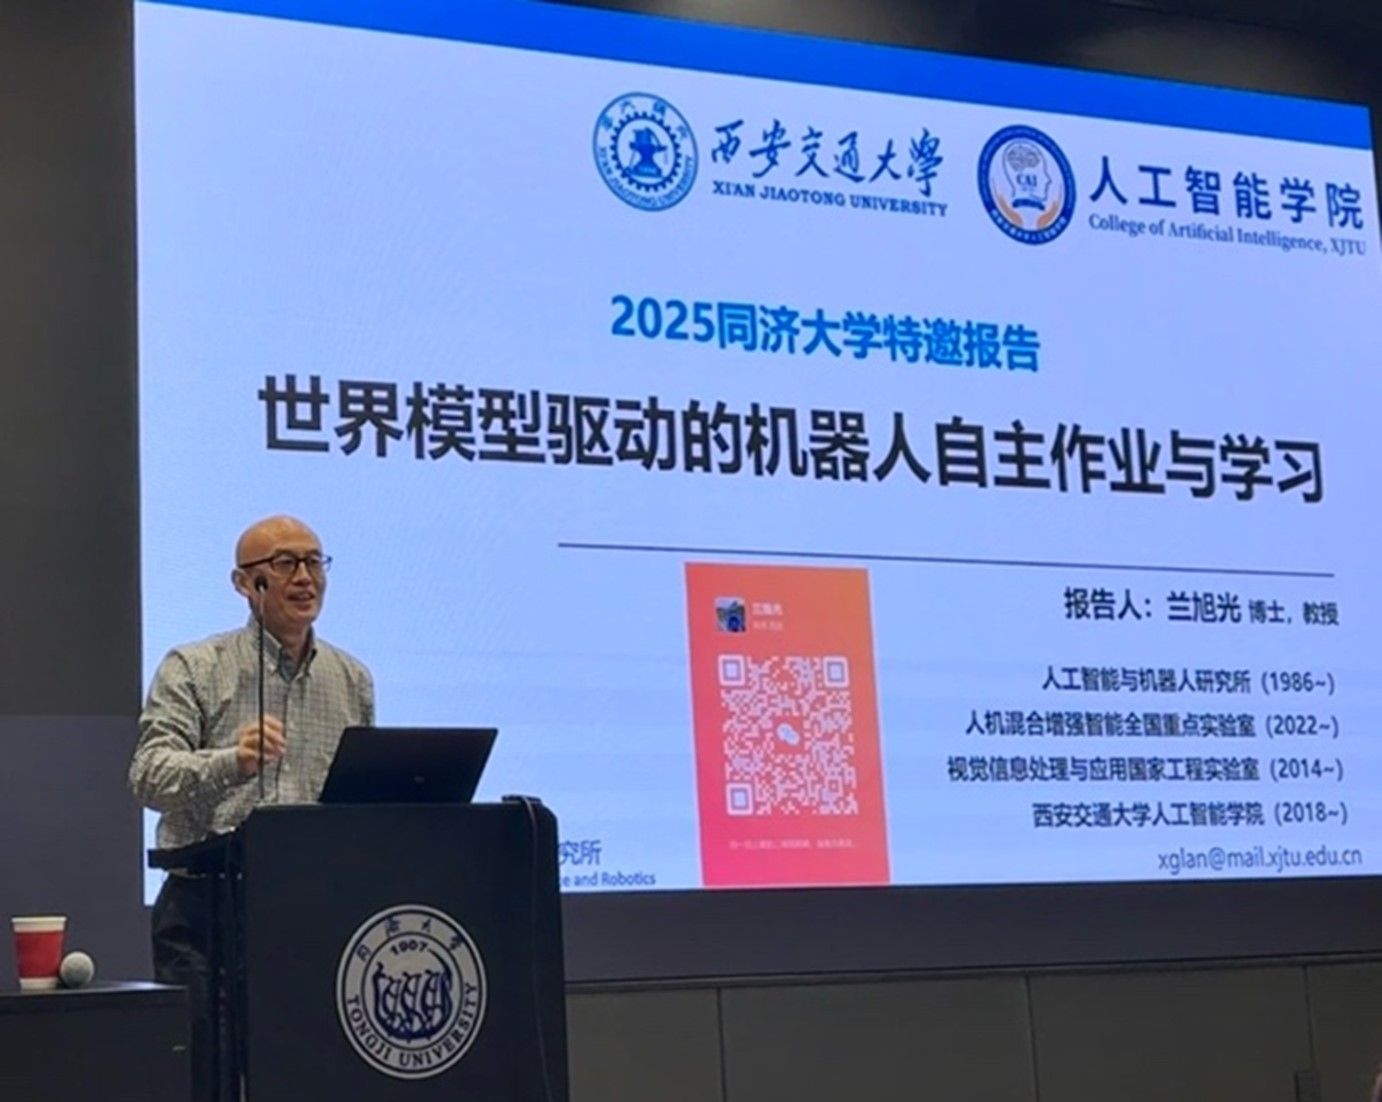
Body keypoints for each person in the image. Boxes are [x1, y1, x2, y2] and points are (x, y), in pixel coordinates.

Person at [129, 515, 373, 1102]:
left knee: (304, 1074)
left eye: (314, 561)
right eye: (285, 563)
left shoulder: (351, 678)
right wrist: (230, 761)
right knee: (206, 1078)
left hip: (307, 911)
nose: (304, 577)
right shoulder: (195, 667)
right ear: (244, 583)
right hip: (207, 911)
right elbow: (148, 776)